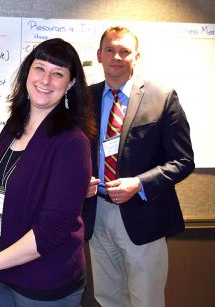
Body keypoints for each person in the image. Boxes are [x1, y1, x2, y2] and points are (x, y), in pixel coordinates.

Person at [0, 38, 96, 306]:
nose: (46, 79)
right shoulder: (11, 129)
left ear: (70, 84)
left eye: (58, 73)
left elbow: (53, 229)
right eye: (40, 68)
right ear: (27, 72)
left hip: (46, 281)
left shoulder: (72, 143)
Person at [83, 26, 195, 307]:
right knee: (107, 296)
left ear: (136, 57)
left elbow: (183, 160)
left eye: (124, 51)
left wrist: (140, 184)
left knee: (146, 299)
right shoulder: (84, 99)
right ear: (99, 55)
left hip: (143, 215)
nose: (117, 57)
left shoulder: (162, 97)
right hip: (96, 213)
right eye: (110, 50)